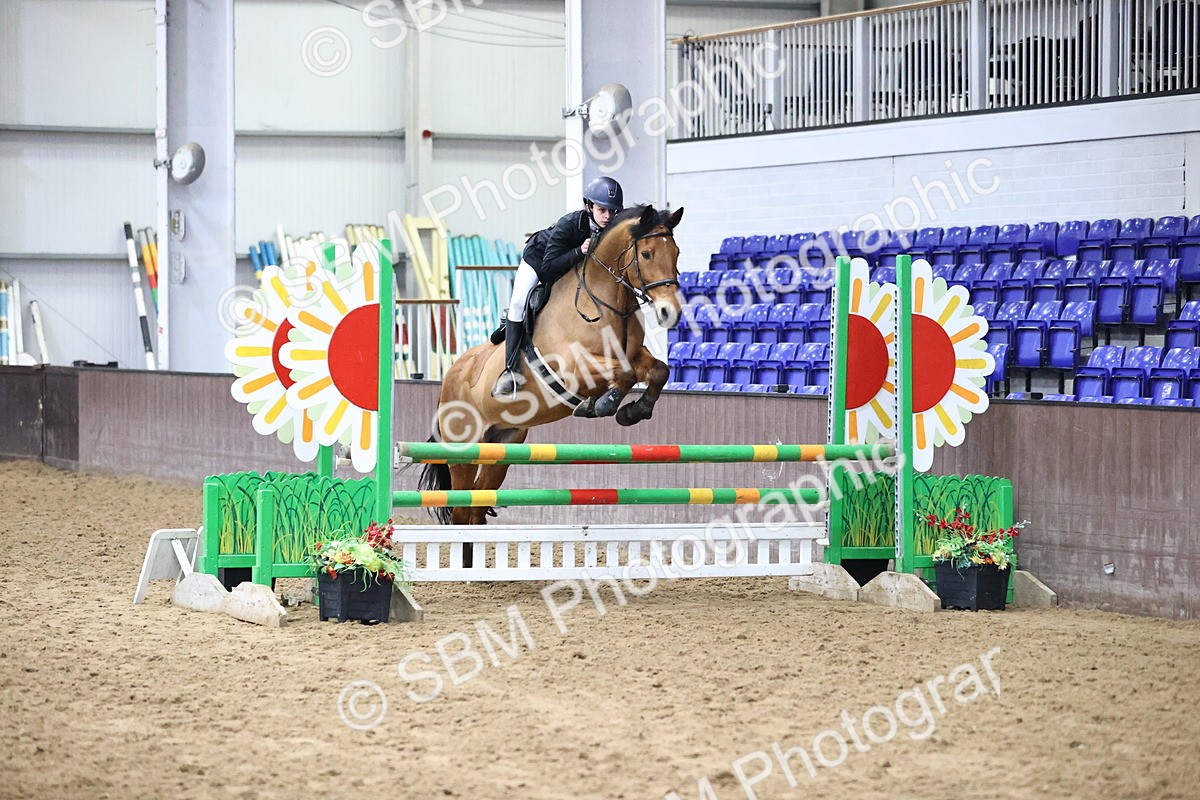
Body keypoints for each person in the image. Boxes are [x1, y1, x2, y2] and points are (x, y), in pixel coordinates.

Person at [491, 176, 624, 397]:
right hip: (538, 260)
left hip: (567, 270)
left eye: (612, 211)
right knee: (517, 303)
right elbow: (549, 266)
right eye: (602, 210)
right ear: (588, 206)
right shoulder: (569, 224)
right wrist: (578, 252)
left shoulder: (610, 229)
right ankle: (511, 371)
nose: (608, 216)